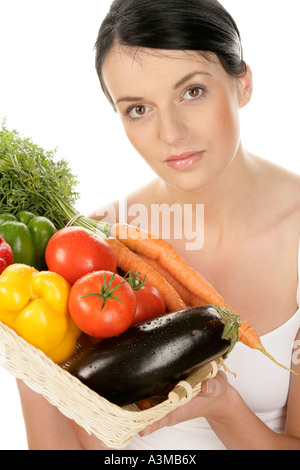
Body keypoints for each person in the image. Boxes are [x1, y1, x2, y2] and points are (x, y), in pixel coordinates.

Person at [17, 0, 300, 450]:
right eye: (138, 109)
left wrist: (222, 406)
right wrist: (27, 356)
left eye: (191, 92)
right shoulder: (89, 245)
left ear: (242, 82)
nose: (170, 133)